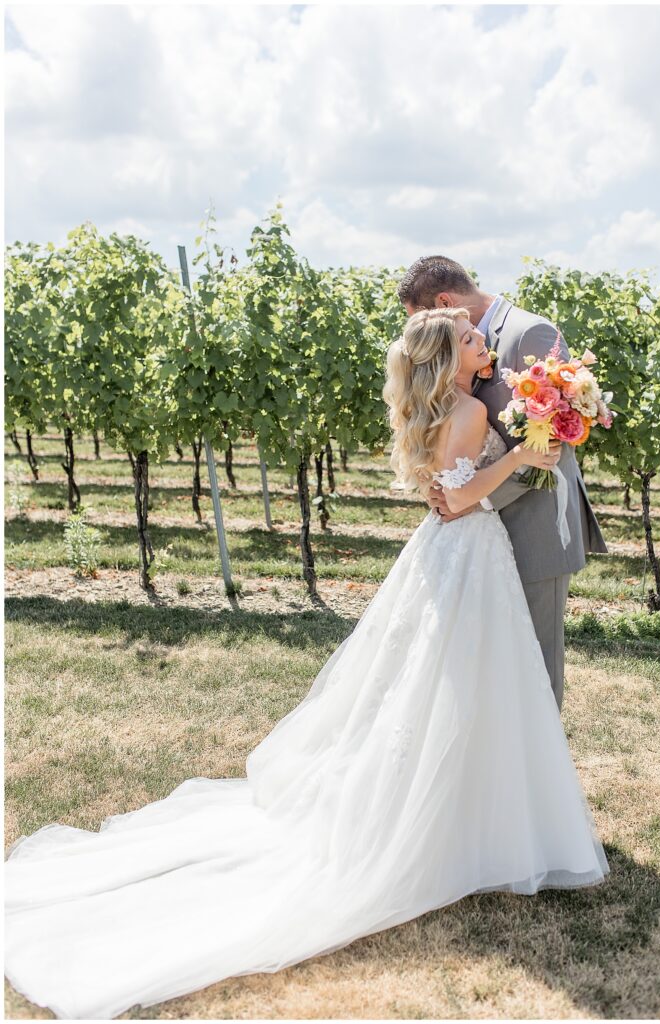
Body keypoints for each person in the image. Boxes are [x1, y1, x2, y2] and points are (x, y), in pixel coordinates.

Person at [4, 308, 610, 1021]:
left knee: (434, 684)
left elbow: (437, 497)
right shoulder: (474, 410)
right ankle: (468, 820)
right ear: (449, 360)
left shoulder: (436, 406)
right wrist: (522, 458)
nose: (486, 346)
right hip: (469, 550)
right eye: (474, 341)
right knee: (470, 683)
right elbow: (459, 501)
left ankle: (454, 807)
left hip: (443, 557)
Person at [397, 255, 608, 711]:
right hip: (474, 538)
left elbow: (551, 448)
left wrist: (471, 500)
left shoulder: (528, 333)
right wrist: (450, 488)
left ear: (444, 300)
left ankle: (536, 780)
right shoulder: (458, 344)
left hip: (532, 528)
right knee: (482, 667)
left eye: (422, 317)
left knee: (534, 669)